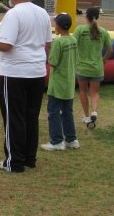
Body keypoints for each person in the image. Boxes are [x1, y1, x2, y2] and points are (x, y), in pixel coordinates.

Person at [0, 0, 52, 172]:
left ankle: (13, 162)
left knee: (13, 117)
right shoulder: (42, 13)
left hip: (14, 73)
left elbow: (6, 45)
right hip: (37, 72)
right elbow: (48, 44)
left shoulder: (14, 14)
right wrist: (38, 60)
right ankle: (28, 158)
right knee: (30, 117)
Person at [40, 13, 80, 151]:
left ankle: (57, 141)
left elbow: (53, 62)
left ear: (58, 26)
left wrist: (47, 49)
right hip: (69, 83)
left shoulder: (58, 42)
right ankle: (71, 139)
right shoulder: (73, 40)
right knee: (67, 111)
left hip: (57, 84)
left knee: (54, 112)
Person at [73, 7, 113, 128]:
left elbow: (73, 45)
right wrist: (104, 61)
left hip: (82, 67)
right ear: (98, 17)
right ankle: (94, 111)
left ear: (86, 17)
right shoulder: (104, 32)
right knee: (94, 92)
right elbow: (110, 50)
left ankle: (86, 116)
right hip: (97, 67)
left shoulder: (80, 29)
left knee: (83, 91)